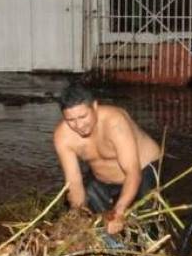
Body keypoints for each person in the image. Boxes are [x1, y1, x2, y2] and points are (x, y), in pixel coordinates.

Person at [53, 82, 162, 236]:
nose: (78, 125)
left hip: (144, 170)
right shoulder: (62, 137)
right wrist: (77, 217)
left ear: (95, 107)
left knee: (147, 226)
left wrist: (119, 212)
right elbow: (74, 183)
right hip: (104, 179)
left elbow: (133, 172)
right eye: (71, 120)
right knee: (90, 215)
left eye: (83, 116)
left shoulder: (115, 122)